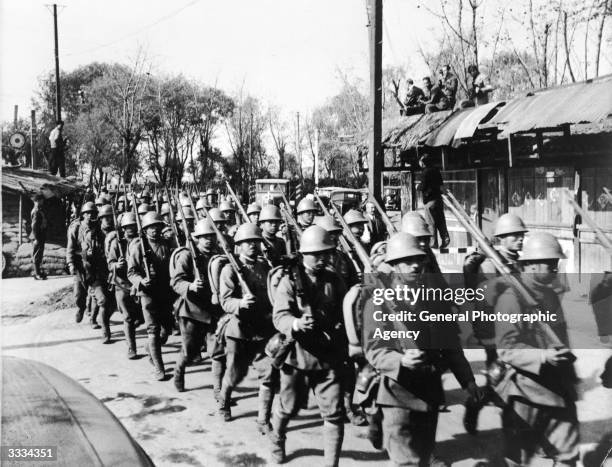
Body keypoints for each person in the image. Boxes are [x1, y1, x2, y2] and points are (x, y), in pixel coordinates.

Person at [363, 232, 481, 467]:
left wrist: (467, 380)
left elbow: (451, 346)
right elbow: (374, 349)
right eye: (407, 261)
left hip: (429, 390)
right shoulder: (379, 301)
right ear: (394, 265)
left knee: (425, 456)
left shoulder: (434, 299)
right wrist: (400, 360)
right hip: (397, 391)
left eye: (419, 259)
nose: (415, 265)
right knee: (407, 461)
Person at [493, 232, 579, 467]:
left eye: (556, 264)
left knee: (568, 453)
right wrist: (543, 356)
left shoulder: (550, 294)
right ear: (530, 265)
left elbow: (561, 336)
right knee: (522, 456)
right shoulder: (511, 299)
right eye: (550, 264)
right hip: (526, 388)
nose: (555, 269)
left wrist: (569, 374)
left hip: (556, 384)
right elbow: (506, 350)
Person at [269, 225, 347, 466]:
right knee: (288, 407)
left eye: (327, 253)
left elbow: (345, 311)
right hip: (298, 356)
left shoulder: (334, 280)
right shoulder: (289, 281)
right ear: (304, 254)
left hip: (328, 354)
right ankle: (277, 438)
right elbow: (279, 316)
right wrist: (296, 323)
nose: (323, 258)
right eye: (317, 254)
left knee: (334, 413)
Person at [462, 213, 528, 434]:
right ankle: (477, 405)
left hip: (517, 327)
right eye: (514, 236)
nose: (520, 239)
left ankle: (482, 404)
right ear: (502, 238)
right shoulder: (491, 263)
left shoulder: (518, 261)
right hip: (494, 329)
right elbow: (484, 298)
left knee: (506, 378)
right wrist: (503, 282)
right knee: (500, 378)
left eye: (521, 235)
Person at [217, 223, 276, 433]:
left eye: (255, 242)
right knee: (234, 372)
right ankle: (224, 400)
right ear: (239, 246)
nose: (252, 245)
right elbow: (225, 301)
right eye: (247, 242)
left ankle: (263, 419)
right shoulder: (230, 269)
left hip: (263, 329)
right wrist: (240, 303)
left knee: (269, 373)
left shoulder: (264, 267)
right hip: (240, 330)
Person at [170, 217, 218, 392]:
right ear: (197, 238)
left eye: (211, 236)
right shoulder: (187, 255)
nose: (209, 240)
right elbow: (176, 282)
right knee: (189, 351)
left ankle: (220, 392)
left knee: (217, 353)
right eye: (204, 237)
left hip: (213, 310)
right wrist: (190, 286)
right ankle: (179, 372)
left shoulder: (217, 254)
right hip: (192, 311)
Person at [128, 212, 174, 381]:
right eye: (150, 227)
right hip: (147, 293)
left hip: (164, 291)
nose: (154, 230)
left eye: (157, 227)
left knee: (165, 330)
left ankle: (151, 348)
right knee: (153, 330)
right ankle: (159, 368)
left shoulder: (165, 244)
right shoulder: (139, 246)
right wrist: (141, 281)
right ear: (145, 229)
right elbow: (131, 272)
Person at [106, 212, 141, 359]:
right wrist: (116, 265)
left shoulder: (140, 243)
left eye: (133, 226)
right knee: (127, 317)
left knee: (139, 317)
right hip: (121, 284)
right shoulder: (117, 243)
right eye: (127, 227)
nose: (130, 229)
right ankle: (131, 348)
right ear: (123, 228)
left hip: (137, 284)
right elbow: (109, 264)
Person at [417, 154, 450, 249]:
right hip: (438, 199)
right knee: (440, 220)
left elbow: (423, 186)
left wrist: (417, 187)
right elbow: (441, 184)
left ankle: (433, 243)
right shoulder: (436, 170)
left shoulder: (425, 172)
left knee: (431, 222)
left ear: (423, 162)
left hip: (430, 201)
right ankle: (445, 238)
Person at [30, 194, 48, 280]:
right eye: (41, 200)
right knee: (36, 254)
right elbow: (34, 226)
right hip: (37, 235)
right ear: (37, 201)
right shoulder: (36, 211)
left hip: (40, 234)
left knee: (39, 254)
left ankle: (39, 272)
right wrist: (36, 238)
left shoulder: (39, 210)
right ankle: (37, 274)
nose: (42, 202)